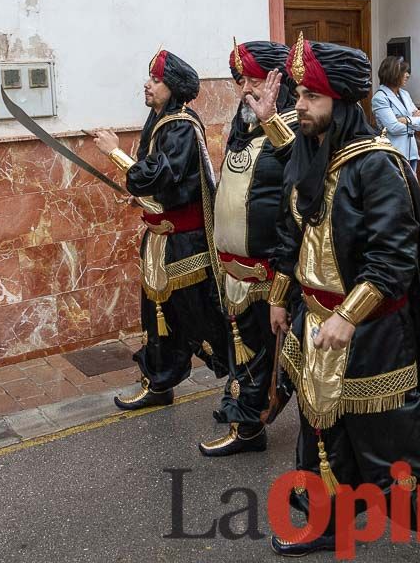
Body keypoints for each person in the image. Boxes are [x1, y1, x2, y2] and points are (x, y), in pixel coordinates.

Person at [267, 35, 420, 561]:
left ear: (340, 101)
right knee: (322, 436)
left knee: (395, 438)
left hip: (372, 331)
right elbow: (292, 234)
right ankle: (331, 523)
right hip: (313, 322)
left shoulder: (375, 164)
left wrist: (347, 315)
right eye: (299, 94)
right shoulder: (307, 155)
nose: (300, 106)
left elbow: (395, 258)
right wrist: (277, 297)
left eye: (311, 97)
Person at [91, 49, 229, 410]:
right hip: (160, 242)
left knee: (202, 318)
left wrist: (115, 153)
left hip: (185, 246)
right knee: (157, 318)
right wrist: (145, 201)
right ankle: (159, 383)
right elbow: (168, 186)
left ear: (173, 87)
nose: (147, 85)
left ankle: (244, 383)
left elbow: (156, 173)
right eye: (149, 78)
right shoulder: (160, 120)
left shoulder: (181, 125)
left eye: (155, 80)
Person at [200, 40, 300, 457]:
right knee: (243, 352)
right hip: (235, 271)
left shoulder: (292, 129)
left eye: (254, 79)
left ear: (280, 81)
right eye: (241, 80)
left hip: (268, 273)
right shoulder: (243, 126)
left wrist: (281, 282)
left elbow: (300, 199)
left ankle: (249, 426)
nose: (245, 89)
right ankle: (240, 408)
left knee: (263, 357)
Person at [372, 55, 420, 170]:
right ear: (393, 74)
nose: (407, 75)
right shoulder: (380, 97)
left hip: (411, 153)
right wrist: (413, 122)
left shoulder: (405, 94)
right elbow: (393, 128)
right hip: (394, 154)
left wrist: (406, 120)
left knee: (411, 187)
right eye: (404, 72)